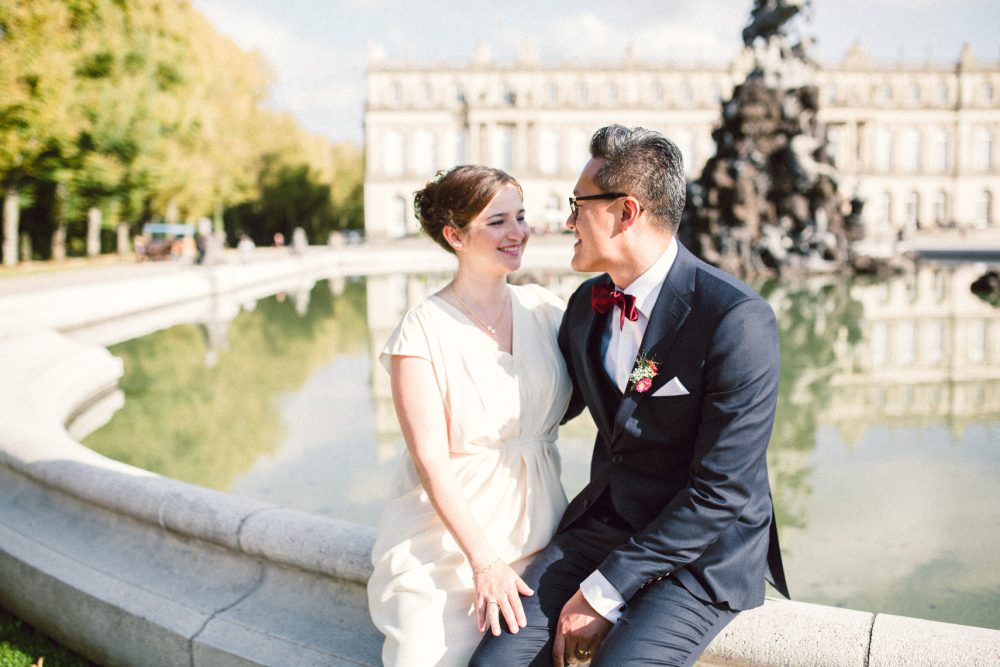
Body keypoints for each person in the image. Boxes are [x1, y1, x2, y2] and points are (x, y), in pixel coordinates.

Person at [471, 125, 789, 666]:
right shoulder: (586, 305)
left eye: (577, 205)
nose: (567, 221)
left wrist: (603, 591)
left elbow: (720, 492)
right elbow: (545, 402)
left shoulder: (737, 319)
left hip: (703, 552)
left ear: (626, 213)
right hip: (608, 523)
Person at [367, 165, 573, 666]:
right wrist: (485, 563)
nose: (518, 232)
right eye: (498, 221)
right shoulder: (421, 332)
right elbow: (431, 462)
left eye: (520, 217)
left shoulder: (547, 311)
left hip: (542, 532)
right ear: (455, 236)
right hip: (450, 549)